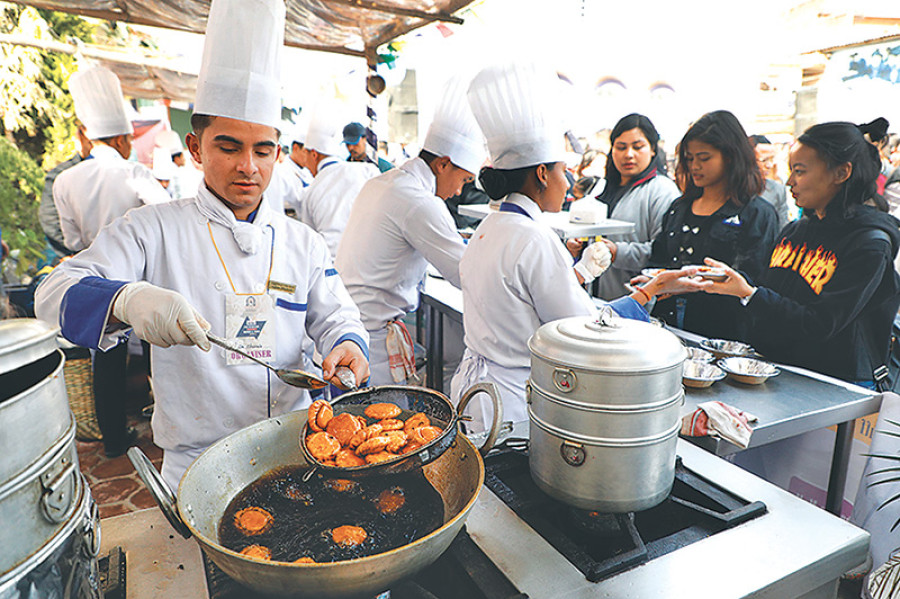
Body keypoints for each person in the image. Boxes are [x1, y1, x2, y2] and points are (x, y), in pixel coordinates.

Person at [35, 0, 369, 489]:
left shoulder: (303, 243)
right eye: (228, 147)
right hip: (197, 464)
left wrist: (346, 344)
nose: (248, 168)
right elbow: (52, 292)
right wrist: (125, 299)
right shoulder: (152, 229)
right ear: (196, 149)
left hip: (299, 454)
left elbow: (337, 316)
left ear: (278, 151)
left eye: (263, 150)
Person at [449, 63, 702, 431]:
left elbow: (525, 300)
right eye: (562, 171)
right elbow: (580, 331)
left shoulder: (493, 225)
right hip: (512, 403)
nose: (568, 182)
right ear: (541, 174)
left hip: (477, 393)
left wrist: (579, 272)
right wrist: (651, 291)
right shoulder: (533, 237)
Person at [699, 121, 900, 386]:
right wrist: (734, 284)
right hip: (780, 370)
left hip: (835, 387)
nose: (789, 181)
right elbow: (771, 295)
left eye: (800, 171)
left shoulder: (870, 243)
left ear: (841, 173)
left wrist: (749, 293)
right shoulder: (795, 231)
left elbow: (821, 324)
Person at [51, 66, 171, 457]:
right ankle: (163, 425)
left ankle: (115, 441)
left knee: (106, 363)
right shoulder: (134, 172)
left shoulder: (65, 181)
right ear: (120, 137)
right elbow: (167, 218)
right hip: (144, 281)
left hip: (99, 283)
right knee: (158, 355)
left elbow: (72, 241)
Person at [336, 75, 485, 386]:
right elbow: (467, 273)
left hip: (351, 329)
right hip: (372, 344)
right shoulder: (419, 202)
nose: (459, 191)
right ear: (443, 164)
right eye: (464, 179)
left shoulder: (384, 182)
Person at [648, 110, 779, 341]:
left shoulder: (757, 213)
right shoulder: (679, 207)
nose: (695, 166)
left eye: (704, 158)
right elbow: (658, 257)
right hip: (665, 326)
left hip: (724, 332)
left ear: (730, 156)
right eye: (689, 159)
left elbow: (754, 280)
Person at [595, 114, 680, 300]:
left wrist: (618, 252)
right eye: (621, 147)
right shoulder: (603, 188)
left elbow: (664, 252)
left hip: (637, 302)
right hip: (599, 299)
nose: (628, 154)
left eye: (638, 147)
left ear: (652, 149)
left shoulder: (662, 191)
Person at [299, 111, 380, 258]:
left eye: (305, 155)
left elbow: (309, 239)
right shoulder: (367, 171)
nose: (305, 163)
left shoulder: (311, 191)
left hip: (329, 267)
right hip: (368, 262)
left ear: (314, 154)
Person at [40, 123, 92, 258]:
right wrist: (74, 251)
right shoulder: (61, 175)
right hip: (73, 256)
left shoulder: (124, 172)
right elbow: (50, 219)